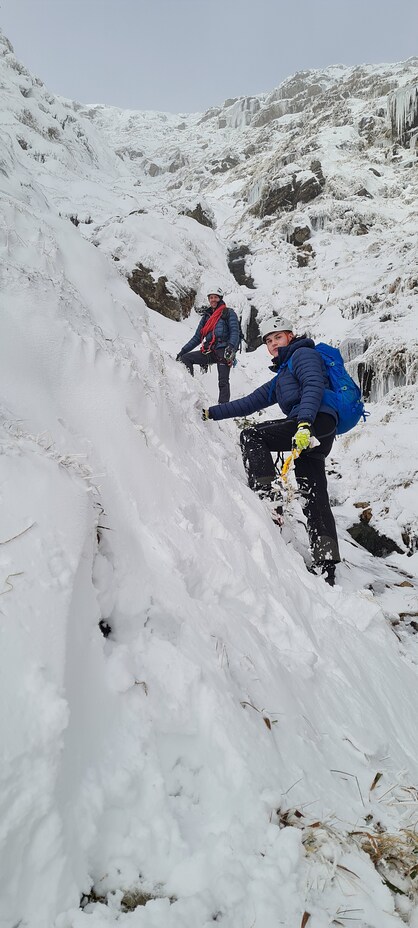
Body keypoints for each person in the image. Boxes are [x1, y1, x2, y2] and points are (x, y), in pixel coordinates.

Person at [202, 316, 341, 586]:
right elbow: (249, 403)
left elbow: (313, 386)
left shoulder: (303, 355)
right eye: (268, 340)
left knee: (252, 435)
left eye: (277, 337)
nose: (273, 343)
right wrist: (210, 413)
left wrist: (303, 424)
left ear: (290, 336)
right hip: (316, 430)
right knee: (313, 495)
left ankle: (267, 497)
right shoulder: (283, 376)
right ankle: (327, 568)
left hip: (313, 422)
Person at [176, 285, 240, 403]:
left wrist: (231, 347)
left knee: (223, 381)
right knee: (186, 358)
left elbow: (235, 332)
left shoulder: (228, 313)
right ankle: (191, 390)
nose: (213, 300)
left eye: (215, 297)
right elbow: (197, 337)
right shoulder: (206, 317)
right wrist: (183, 351)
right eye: (211, 297)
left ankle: (223, 407)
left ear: (220, 298)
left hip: (224, 350)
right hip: (209, 350)